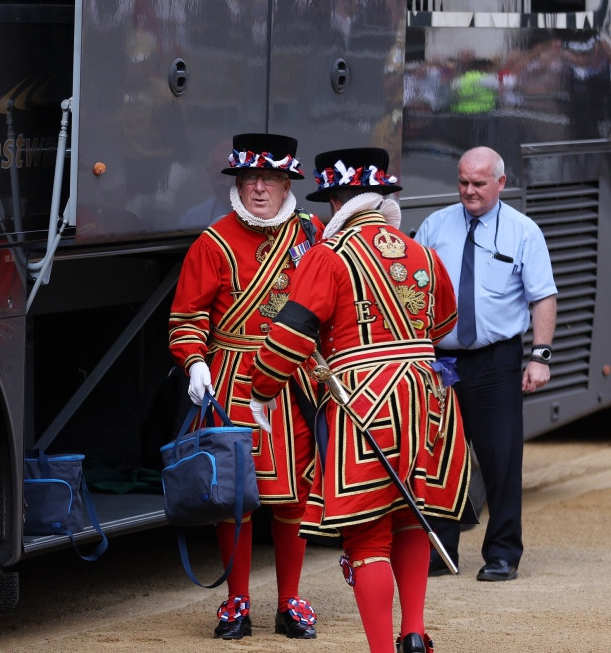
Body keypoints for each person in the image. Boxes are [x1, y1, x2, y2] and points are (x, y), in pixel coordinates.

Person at [249, 147, 472, 653]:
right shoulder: (420, 252)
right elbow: (445, 322)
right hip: (427, 399)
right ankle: (412, 633)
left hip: (365, 402)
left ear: (336, 201)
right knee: (411, 516)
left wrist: (262, 388)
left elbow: (292, 335)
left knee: (368, 537)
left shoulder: (328, 256)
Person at [168, 133, 324, 640]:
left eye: (270, 179)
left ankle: (290, 601)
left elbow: (331, 301)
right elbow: (187, 316)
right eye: (250, 178)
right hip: (231, 379)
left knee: (294, 495)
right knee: (232, 495)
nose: (259, 188)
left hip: (294, 380)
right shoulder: (212, 242)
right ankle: (237, 601)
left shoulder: (312, 233)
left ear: (286, 185)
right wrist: (195, 362)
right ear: (237, 183)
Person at [414, 146, 557, 582]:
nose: (469, 191)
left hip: (496, 360)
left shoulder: (523, 231)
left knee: (501, 457)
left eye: (478, 183)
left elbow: (543, 297)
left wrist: (540, 357)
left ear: (501, 183)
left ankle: (502, 553)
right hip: (442, 361)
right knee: (440, 456)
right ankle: (440, 551)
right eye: (463, 182)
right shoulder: (435, 226)